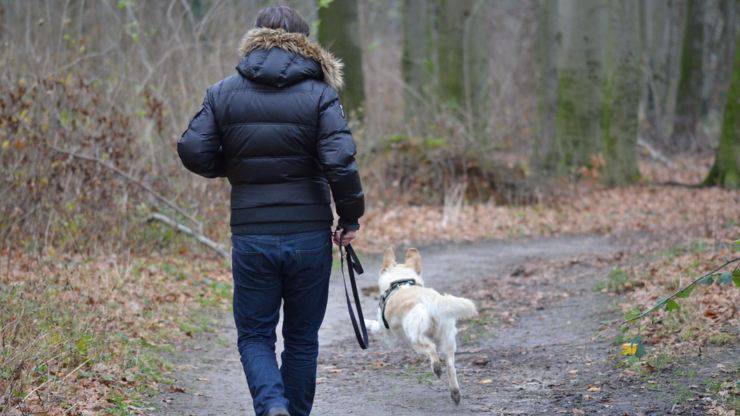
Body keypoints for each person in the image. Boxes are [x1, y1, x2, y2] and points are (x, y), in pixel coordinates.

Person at [177, 5, 364, 416]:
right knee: (301, 338)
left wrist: (235, 167)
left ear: (254, 37)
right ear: (305, 42)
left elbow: (192, 148)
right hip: (308, 234)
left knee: (255, 335)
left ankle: (272, 406)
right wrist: (349, 219)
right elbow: (341, 161)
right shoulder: (320, 94)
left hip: (252, 233)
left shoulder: (224, 91)